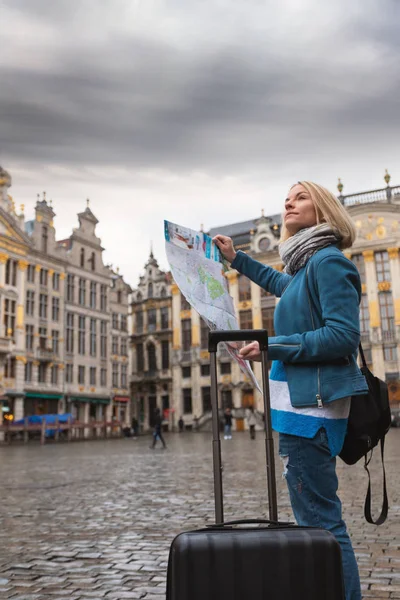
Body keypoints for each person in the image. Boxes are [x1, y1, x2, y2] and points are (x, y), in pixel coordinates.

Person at [214, 181, 368, 600]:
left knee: (322, 524)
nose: (289, 202)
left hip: (312, 409)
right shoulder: (307, 266)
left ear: (325, 210)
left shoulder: (329, 262)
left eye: (301, 196)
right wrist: (236, 258)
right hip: (302, 406)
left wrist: (272, 346)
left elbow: (342, 336)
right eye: (288, 197)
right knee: (316, 522)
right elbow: (280, 284)